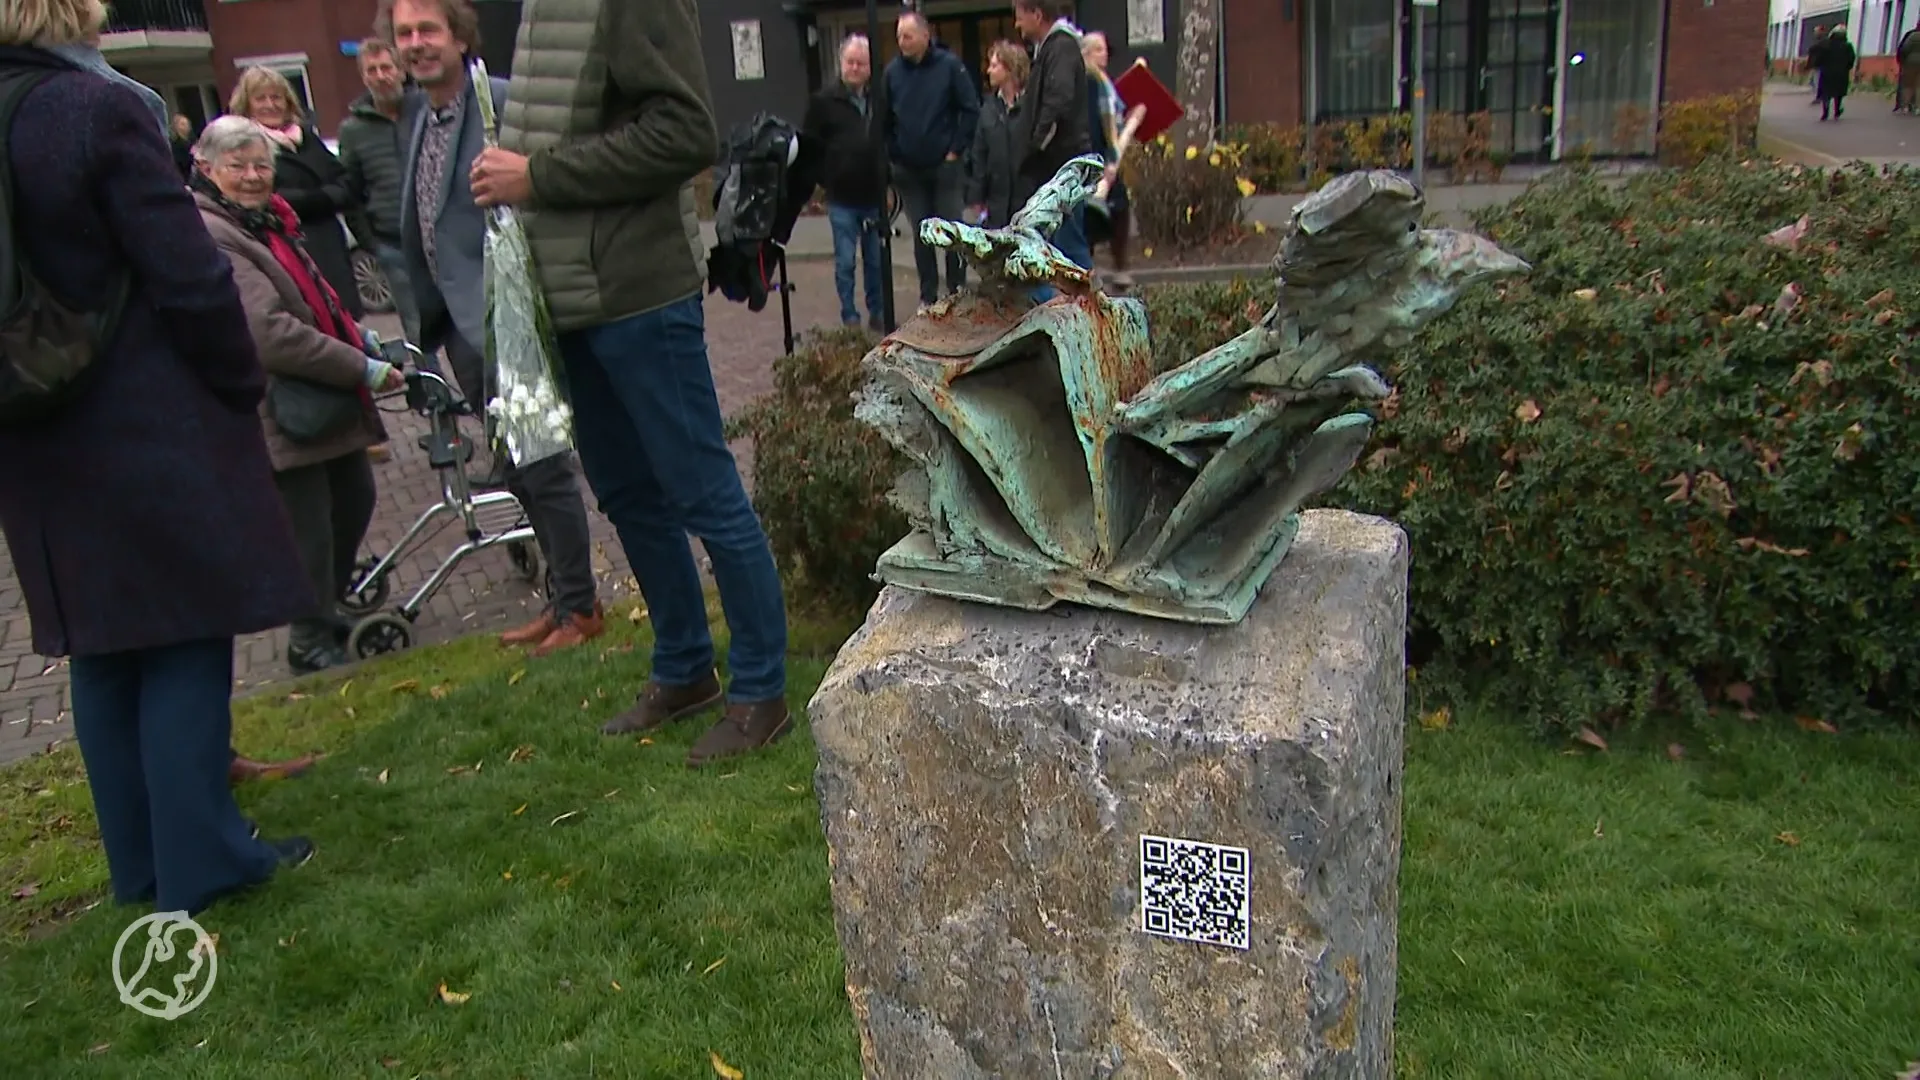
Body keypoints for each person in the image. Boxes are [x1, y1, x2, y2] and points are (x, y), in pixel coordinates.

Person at [0, 2, 316, 914]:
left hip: (33, 427)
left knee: (104, 650)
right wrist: (234, 384)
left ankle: (140, 864)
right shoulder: (96, 111)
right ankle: (205, 856)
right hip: (140, 421)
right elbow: (188, 274)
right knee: (181, 636)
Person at [471, 0, 793, 765]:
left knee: (703, 492)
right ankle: (685, 670)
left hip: (641, 296)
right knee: (625, 493)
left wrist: (537, 176)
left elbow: (685, 134)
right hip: (572, 298)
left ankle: (761, 692)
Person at [382, 0, 607, 657]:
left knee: (542, 463)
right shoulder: (419, 115)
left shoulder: (498, 100)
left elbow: (552, 177)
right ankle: (564, 598)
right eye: (405, 34)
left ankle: (582, 606)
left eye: (428, 30)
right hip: (460, 327)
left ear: (459, 37)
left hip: (507, 319)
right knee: (513, 465)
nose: (416, 44)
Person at [193, 115, 402, 677]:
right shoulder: (216, 233)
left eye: (262, 164)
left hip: (317, 402)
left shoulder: (264, 222)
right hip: (282, 408)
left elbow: (316, 299)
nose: (254, 176)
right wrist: (361, 366)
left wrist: (362, 336)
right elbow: (269, 334)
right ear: (206, 168)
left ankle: (325, 612)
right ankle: (309, 640)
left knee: (353, 500)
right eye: (238, 166)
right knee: (309, 530)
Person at [230, 66, 369, 321]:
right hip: (287, 249)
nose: (271, 105)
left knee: (347, 320)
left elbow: (347, 183)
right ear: (247, 105)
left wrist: (317, 198)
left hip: (330, 244)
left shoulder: (308, 140)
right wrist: (325, 197)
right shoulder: (244, 147)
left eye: (277, 97)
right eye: (261, 98)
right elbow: (270, 200)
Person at [883, 12, 979, 310]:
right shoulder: (892, 74)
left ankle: (956, 290)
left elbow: (970, 108)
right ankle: (928, 295)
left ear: (926, 36)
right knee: (922, 235)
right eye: (899, 36)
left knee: (951, 231)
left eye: (908, 35)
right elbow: (883, 119)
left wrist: (955, 149)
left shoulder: (949, 66)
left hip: (944, 167)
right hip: (909, 171)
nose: (902, 41)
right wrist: (893, 154)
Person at [802, 34, 888, 332]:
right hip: (842, 198)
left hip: (874, 197)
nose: (854, 68)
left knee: (876, 262)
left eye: (860, 63)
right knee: (846, 262)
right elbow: (809, 146)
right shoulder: (824, 101)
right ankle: (849, 316)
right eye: (850, 62)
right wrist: (824, 179)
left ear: (869, 67)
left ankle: (878, 313)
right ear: (841, 64)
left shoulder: (880, 99)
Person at [338, 38, 421, 342]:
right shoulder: (353, 131)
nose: (380, 76)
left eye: (386, 67)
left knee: (464, 319)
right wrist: (372, 243)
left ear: (401, 71)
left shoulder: (427, 110)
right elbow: (350, 192)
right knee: (416, 328)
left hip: (442, 239)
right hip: (393, 246)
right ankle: (431, 387)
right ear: (363, 77)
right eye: (371, 70)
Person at [1011, 0, 1092, 300]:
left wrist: (1035, 146)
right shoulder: (1054, 50)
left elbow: (1058, 103)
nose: (1017, 25)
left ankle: (1085, 311)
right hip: (1058, 167)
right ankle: (1076, 309)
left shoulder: (1059, 49)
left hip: (1061, 167)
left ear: (1037, 14)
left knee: (1067, 246)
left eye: (1020, 17)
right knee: (1060, 245)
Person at [1081, 31, 1133, 292]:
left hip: (1107, 157)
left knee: (1119, 210)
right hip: (1097, 159)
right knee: (1090, 214)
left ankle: (1118, 267)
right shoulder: (1090, 83)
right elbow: (1102, 123)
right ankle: (1086, 271)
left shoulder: (1104, 82)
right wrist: (1109, 161)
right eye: (1099, 49)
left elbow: (1115, 118)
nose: (1105, 54)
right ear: (1088, 54)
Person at [966, 40, 1028, 230]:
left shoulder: (1031, 106)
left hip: (1028, 201)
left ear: (1010, 69)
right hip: (997, 205)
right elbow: (979, 155)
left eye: (994, 66)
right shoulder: (989, 108)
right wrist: (976, 197)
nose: (988, 71)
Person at [1813, 26, 1856, 121]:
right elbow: (1851, 59)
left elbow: (1820, 57)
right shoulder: (1848, 46)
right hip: (1841, 73)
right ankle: (1837, 110)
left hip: (1827, 72)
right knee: (1838, 93)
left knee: (1826, 93)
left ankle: (1825, 112)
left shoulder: (1826, 45)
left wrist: (1819, 65)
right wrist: (1847, 68)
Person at [1896, 25, 1920, 115]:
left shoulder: (1912, 36)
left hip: (1910, 63)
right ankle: (1918, 108)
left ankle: (1905, 106)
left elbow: (1905, 48)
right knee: (1919, 86)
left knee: (1908, 86)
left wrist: (1903, 61)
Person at [169, 112, 195, 179]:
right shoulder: (176, 145)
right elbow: (182, 163)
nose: (186, 126)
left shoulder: (192, 141)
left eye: (187, 123)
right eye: (182, 124)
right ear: (176, 127)